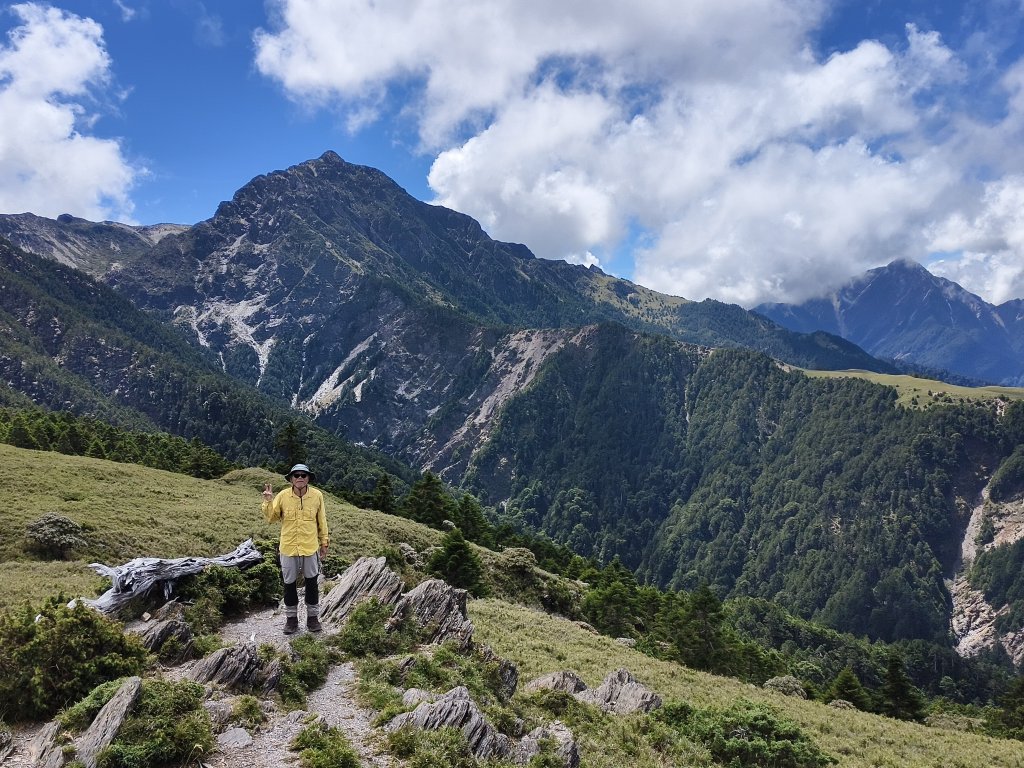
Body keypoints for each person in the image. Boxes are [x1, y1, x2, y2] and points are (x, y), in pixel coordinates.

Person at [262, 463, 330, 634]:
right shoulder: (283, 496)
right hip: (288, 547)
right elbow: (271, 518)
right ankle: (291, 620)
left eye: (303, 475)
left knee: (312, 583)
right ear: (291, 478)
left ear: (308, 478)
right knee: (289, 584)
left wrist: (324, 543)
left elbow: (322, 520)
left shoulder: (317, 496)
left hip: (310, 547)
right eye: (296, 475)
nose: (300, 478)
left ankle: (313, 619)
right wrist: (268, 501)